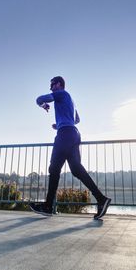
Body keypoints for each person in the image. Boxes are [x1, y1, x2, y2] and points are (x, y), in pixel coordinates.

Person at [29, 76, 111, 219]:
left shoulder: (61, 93)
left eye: (52, 85)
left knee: (54, 169)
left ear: (59, 84)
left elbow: (39, 99)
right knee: (76, 169)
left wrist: (43, 105)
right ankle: (101, 198)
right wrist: (60, 123)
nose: (51, 88)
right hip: (73, 133)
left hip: (65, 134)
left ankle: (48, 206)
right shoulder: (70, 99)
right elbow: (77, 119)